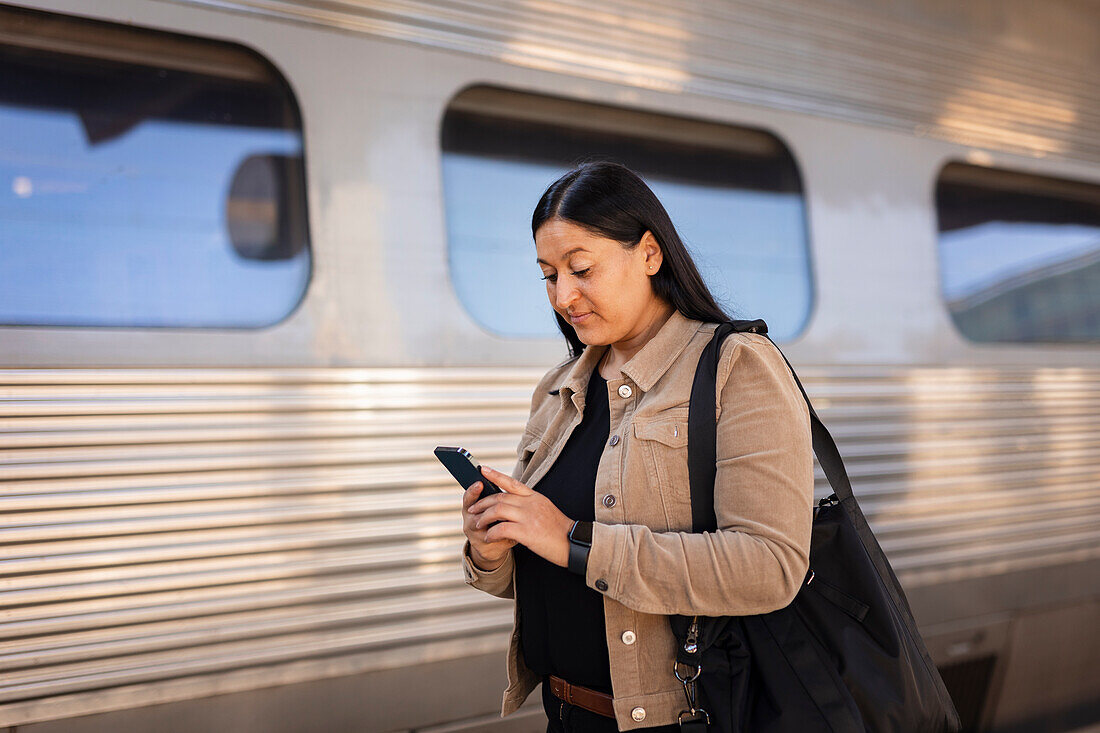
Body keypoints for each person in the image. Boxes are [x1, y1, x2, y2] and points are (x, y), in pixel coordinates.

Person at [460, 161, 814, 732]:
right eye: (548, 275)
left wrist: (576, 541)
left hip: (676, 721)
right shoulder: (558, 387)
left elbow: (771, 566)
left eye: (581, 269)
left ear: (650, 254)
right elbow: (540, 570)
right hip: (565, 716)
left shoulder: (736, 366)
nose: (563, 295)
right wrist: (493, 548)